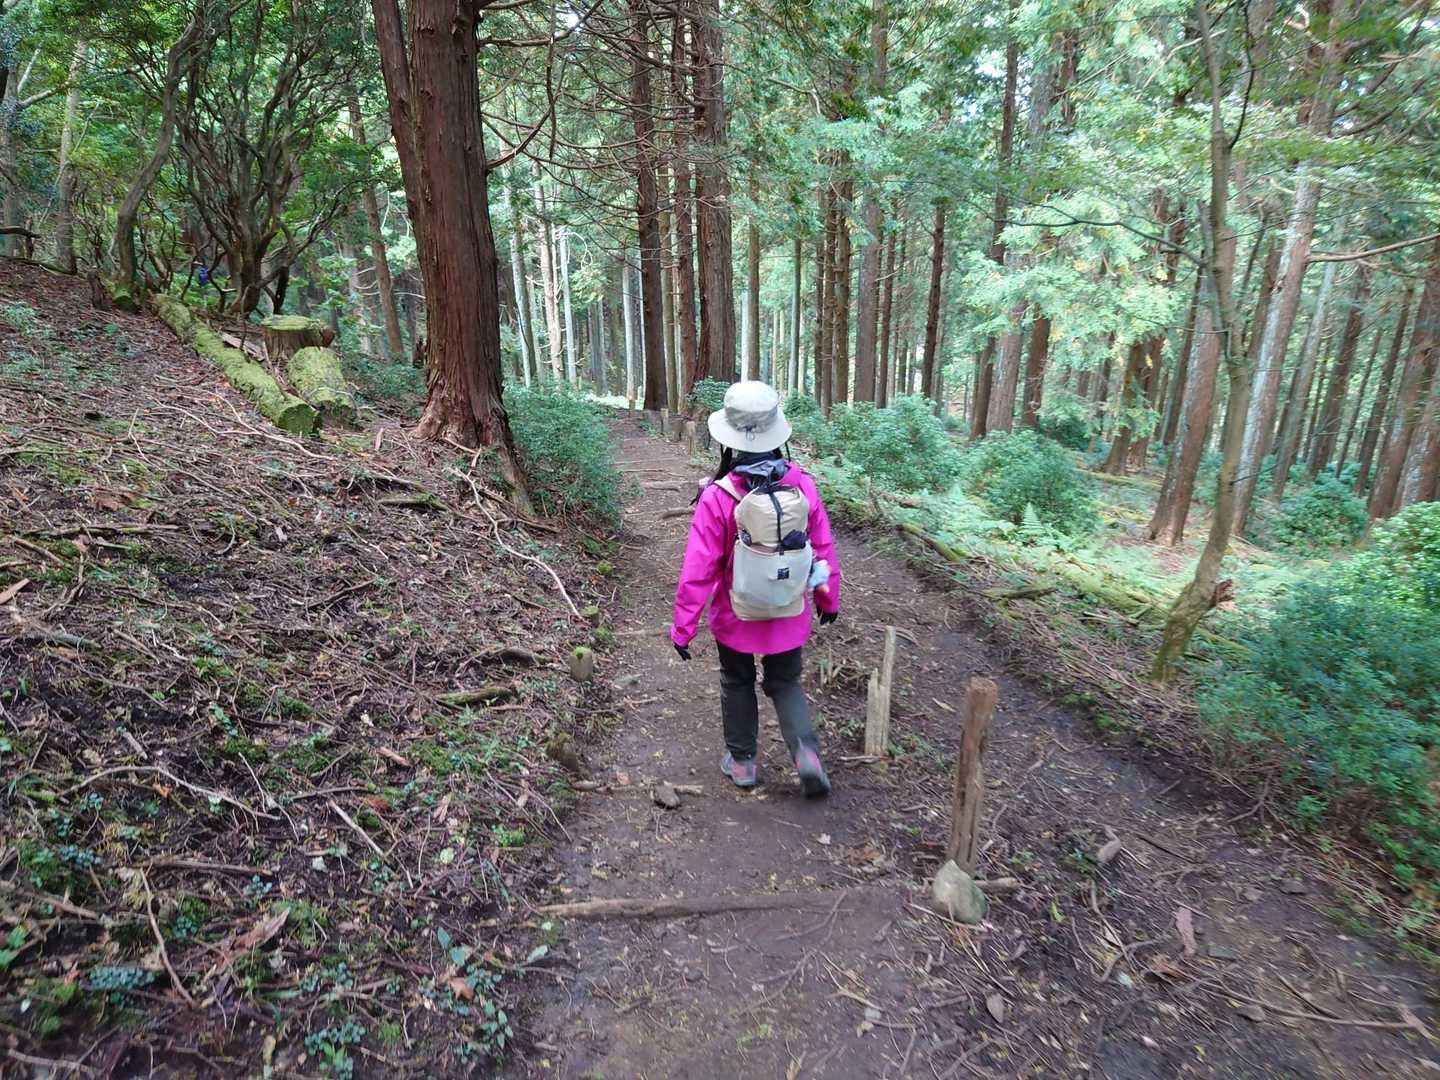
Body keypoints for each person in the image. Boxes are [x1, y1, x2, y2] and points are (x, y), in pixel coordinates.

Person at [670, 381, 841, 796]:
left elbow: (699, 569)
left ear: (729, 439)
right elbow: (822, 549)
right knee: (786, 682)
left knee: (736, 680)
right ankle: (806, 754)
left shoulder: (718, 496)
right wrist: (827, 598)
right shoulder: (803, 486)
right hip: (788, 608)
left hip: (737, 613)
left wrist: (683, 629)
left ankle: (743, 762)